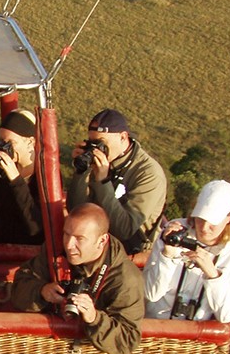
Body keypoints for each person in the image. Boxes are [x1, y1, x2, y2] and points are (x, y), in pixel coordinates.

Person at [11, 203, 143, 354]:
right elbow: (18, 288)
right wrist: (42, 292)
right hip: (45, 351)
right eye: (66, 234)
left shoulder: (126, 279)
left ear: (102, 240)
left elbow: (128, 340)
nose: (69, 245)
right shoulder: (55, 250)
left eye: (79, 239)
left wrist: (94, 318)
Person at [144, 180, 230, 322]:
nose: (204, 227)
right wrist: (167, 255)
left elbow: (227, 315)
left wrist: (212, 274)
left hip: (198, 336)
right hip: (158, 325)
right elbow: (151, 294)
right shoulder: (175, 231)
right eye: (201, 219)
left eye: (213, 222)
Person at [66, 108, 166, 255]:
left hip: (132, 251)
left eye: (101, 143)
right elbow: (76, 210)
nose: (97, 150)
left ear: (123, 137)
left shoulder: (148, 173)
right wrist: (81, 172)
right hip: (96, 244)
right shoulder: (99, 161)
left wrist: (103, 181)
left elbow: (125, 229)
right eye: (92, 143)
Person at [0, 109, 43, 244]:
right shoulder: (2, 168)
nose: (5, 148)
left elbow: (35, 226)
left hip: (31, 248)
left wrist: (16, 180)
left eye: (10, 143)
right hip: (0, 242)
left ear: (30, 142)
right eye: (1, 141)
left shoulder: (43, 174)